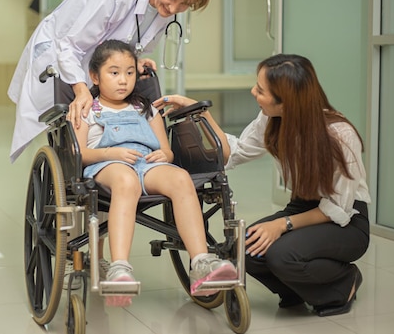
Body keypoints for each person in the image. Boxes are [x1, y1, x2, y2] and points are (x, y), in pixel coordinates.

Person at [154, 54, 370, 317]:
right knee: (243, 249)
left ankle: (343, 283)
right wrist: (200, 112)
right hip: (303, 206)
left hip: (345, 221)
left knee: (281, 255)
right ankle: (296, 290)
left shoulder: (340, 136)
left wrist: (281, 225)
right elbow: (233, 153)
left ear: (286, 101)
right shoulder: (272, 119)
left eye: (261, 90)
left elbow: (337, 209)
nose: (253, 91)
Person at [7, 0, 213, 163]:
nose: (173, 8)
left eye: (185, 5)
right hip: (61, 55)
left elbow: (123, 42)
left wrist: (134, 62)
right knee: (75, 129)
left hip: (98, 69)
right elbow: (70, 46)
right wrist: (80, 90)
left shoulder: (161, 10)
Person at [76, 39, 236, 307]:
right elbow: (79, 153)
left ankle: (200, 262)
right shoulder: (88, 109)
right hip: (106, 165)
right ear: (95, 76)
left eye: (129, 73)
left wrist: (165, 155)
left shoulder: (145, 108)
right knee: (126, 181)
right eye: (114, 73)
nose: (123, 80)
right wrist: (110, 154)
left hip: (146, 163)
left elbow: (166, 150)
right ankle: (119, 267)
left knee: (180, 177)